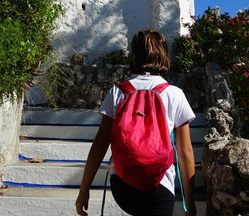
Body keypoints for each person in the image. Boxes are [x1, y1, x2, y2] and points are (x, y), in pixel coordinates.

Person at [75, 29, 197, 216]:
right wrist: (190, 203)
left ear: (134, 56)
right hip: (160, 185)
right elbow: (185, 152)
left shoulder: (118, 92)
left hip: (123, 185)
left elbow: (100, 143)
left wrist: (84, 190)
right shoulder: (174, 94)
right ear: (164, 55)